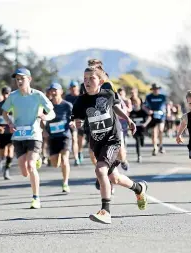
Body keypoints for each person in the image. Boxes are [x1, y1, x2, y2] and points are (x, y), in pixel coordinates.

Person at [72, 66, 148, 224]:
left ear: (100, 81)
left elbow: (115, 107)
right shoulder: (80, 100)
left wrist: (128, 119)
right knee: (115, 178)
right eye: (85, 79)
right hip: (97, 143)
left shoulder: (108, 94)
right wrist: (76, 123)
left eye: (91, 78)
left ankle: (105, 211)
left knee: (100, 170)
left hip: (112, 140)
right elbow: (76, 119)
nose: (87, 82)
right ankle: (139, 188)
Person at [2, 67, 56, 209]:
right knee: (24, 172)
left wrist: (45, 116)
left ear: (29, 79)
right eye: (17, 79)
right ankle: (36, 159)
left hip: (34, 134)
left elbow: (52, 112)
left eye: (22, 78)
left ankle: (36, 198)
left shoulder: (38, 95)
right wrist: (9, 122)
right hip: (18, 135)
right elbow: (4, 112)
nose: (19, 81)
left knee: (31, 166)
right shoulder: (13, 96)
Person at [46, 82, 73, 193]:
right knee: (55, 163)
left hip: (65, 135)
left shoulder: (67, 105)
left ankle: (65, 183)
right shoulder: (47, 105)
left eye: (55, 90)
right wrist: (43, 129)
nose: (53, 92)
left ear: (61, 91)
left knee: (64, 159)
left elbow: (74, 117)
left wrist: (73, 123)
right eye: (51, 90)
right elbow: (42, 118)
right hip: (52, 137)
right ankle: (51, 159)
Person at [0, 87, 15, 180]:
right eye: (4, 93)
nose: (6, 95)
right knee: (3, 153)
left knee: (11, 149)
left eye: (8, 93)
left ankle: (7, 170)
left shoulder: (15, 104)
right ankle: (0, 160)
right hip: (2, 131)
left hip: (12, 131)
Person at [143, 83, 167, 156]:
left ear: (159, 89)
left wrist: (167, 111)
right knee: (154, 132)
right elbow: (144, 106)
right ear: (152, 89)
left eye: (157, 89)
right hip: (153, 116)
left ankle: (161, 145)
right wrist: (148, 111)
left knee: (160, 130)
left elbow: (167, 105)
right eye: (154, 89)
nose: (156, 90)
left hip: (161, 115)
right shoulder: (149, 97)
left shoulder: (163, 96)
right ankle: (155, 147)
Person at [129, 96, 151, 163]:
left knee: (142, 142)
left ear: (139, 103)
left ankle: (142, 141)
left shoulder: (143, 111)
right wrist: (130, 126)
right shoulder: (132, 112)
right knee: (137, 141)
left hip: (142, 129)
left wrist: (145, 124)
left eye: (136, 103)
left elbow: (149, 118)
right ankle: (139, 156)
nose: (135, 104)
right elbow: (129, 120)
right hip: (135, 129)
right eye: (134, 103)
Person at [64, 80, 82, 166]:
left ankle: (80, 152)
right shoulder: (67, 98)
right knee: (74, 139)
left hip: (80, 120)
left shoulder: (81, 97)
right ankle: (76, 158)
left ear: (77, 88)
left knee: (80, 139)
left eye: (74, 87)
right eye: (71, 87)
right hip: (70, 121)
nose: (73, 89)